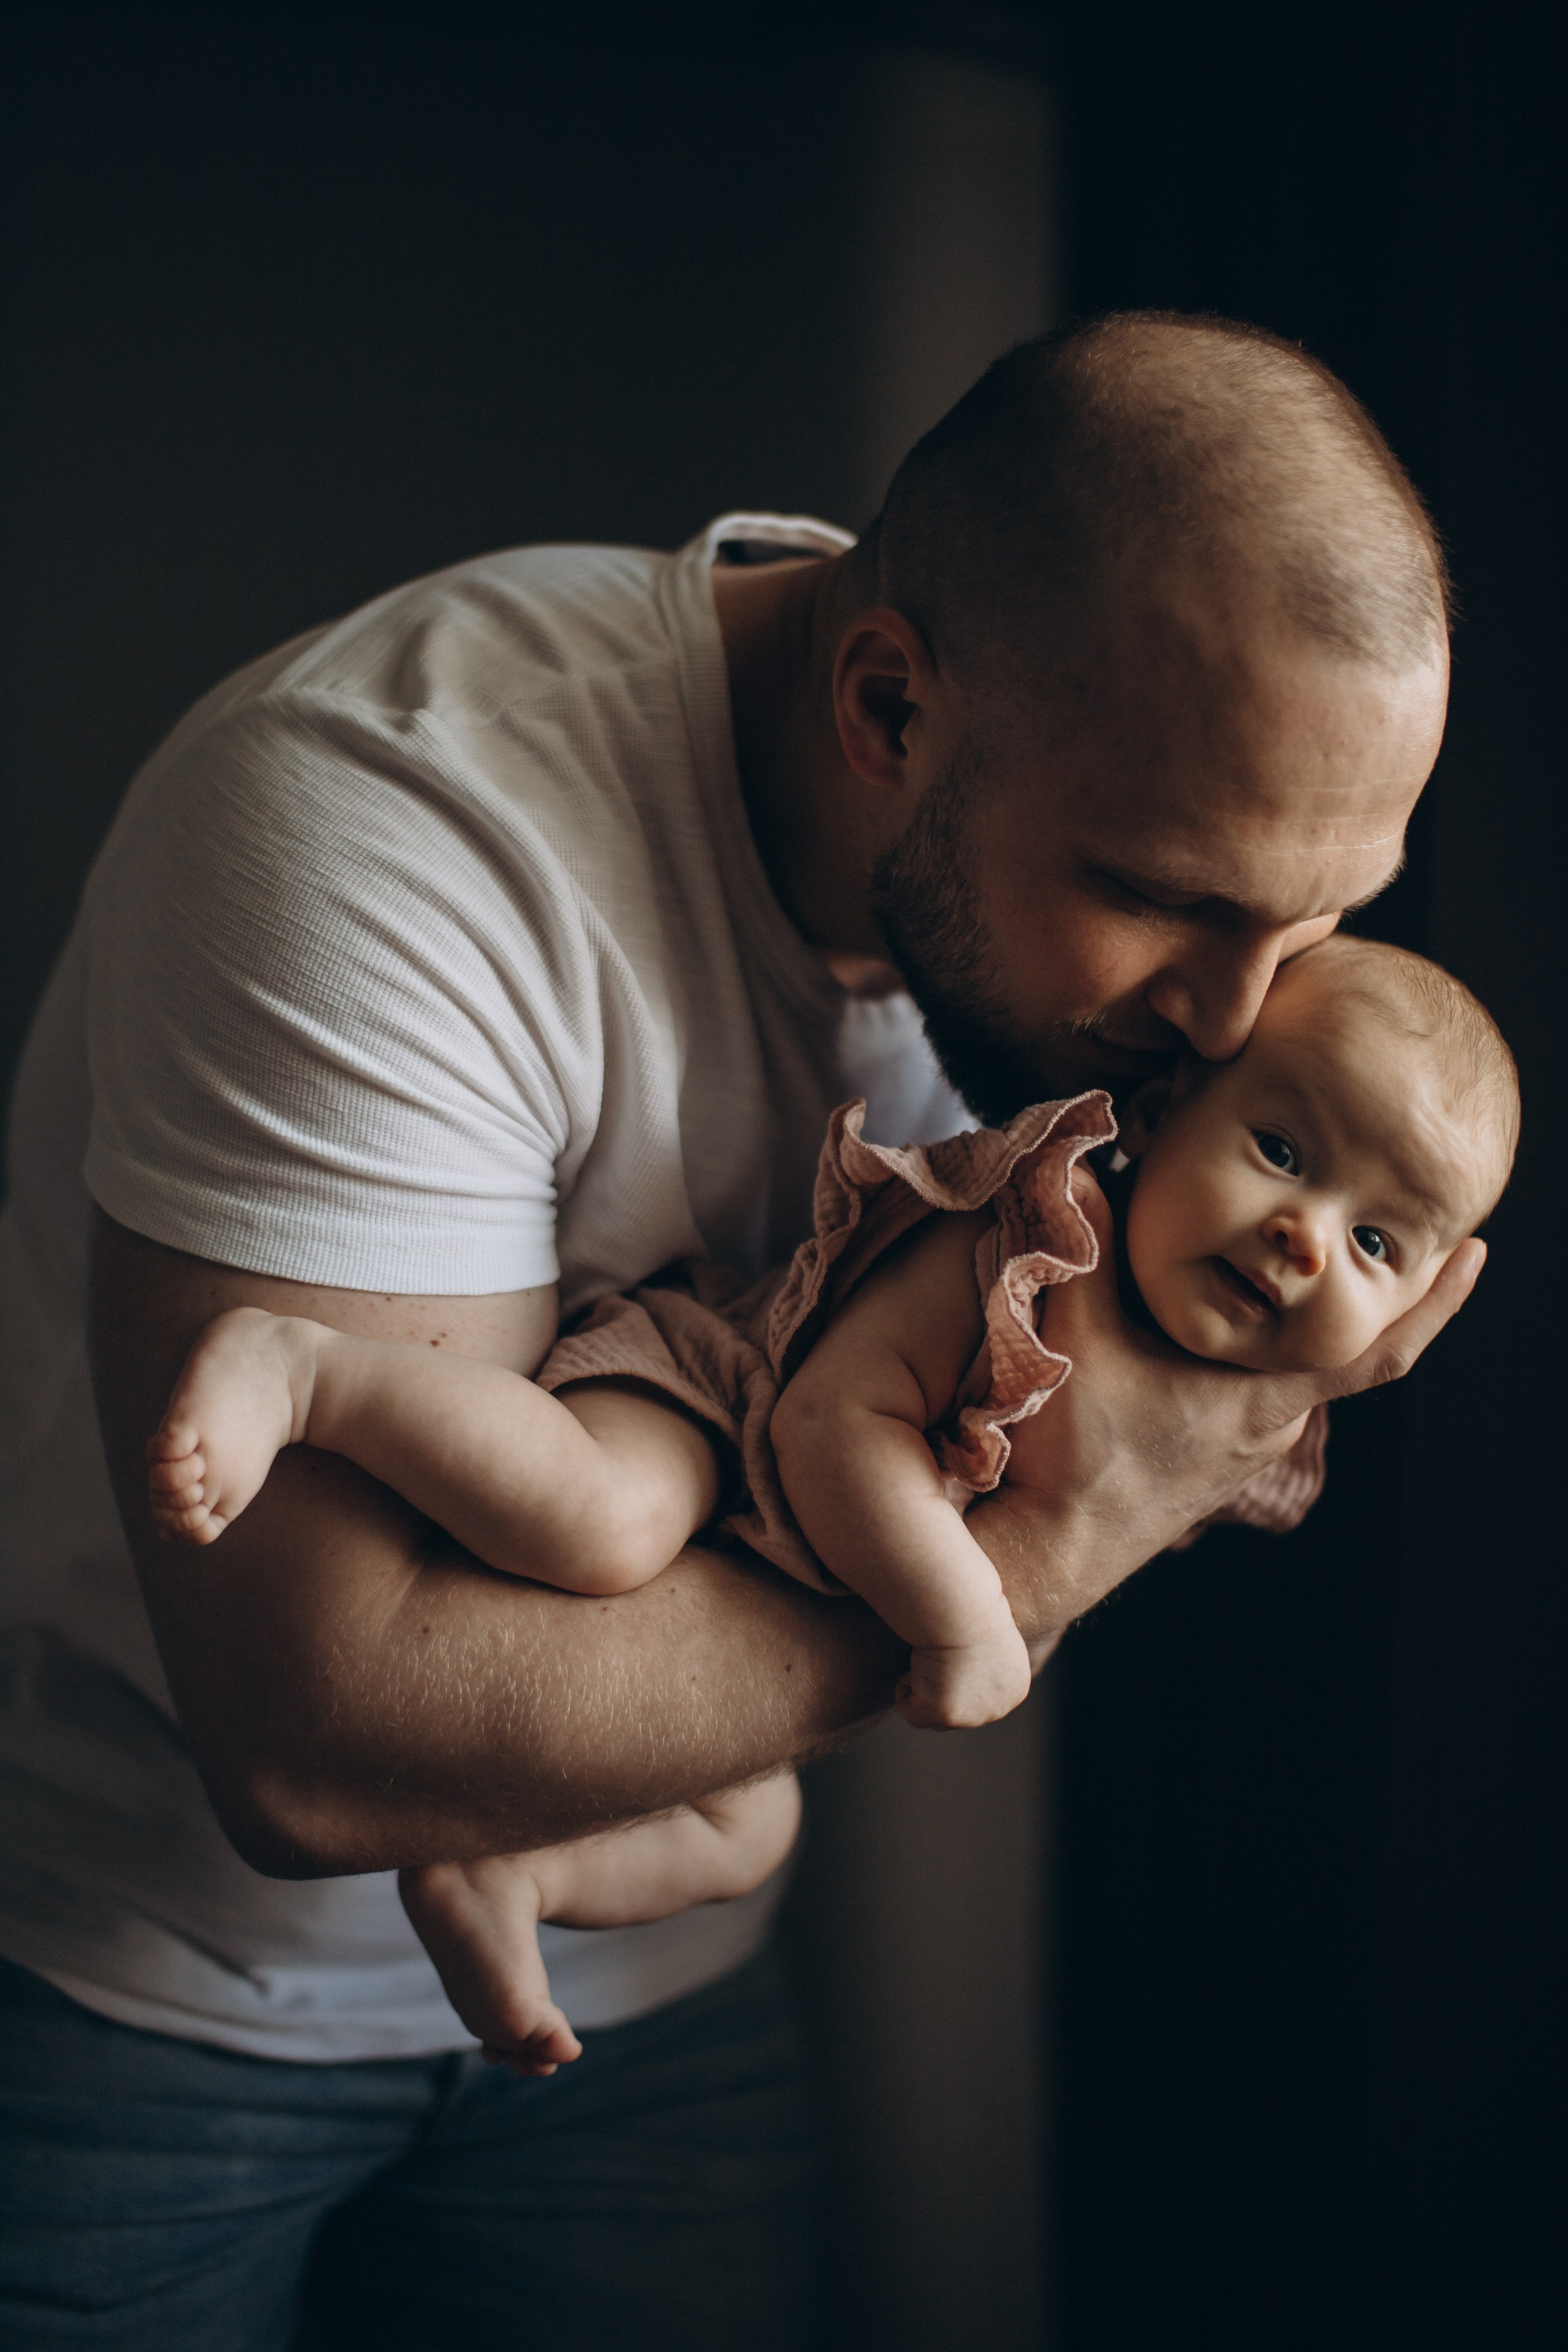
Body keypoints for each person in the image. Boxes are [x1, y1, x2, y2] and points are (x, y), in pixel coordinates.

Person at [0, 314, 1480, 2349]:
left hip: (647, 2006)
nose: (1237, 1024)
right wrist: (1044, 1558)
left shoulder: (1154, 957)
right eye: (1164, 898)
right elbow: (325, 1746)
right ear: (887, 703)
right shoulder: (392, 828)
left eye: (1312, 917)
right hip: (126, 1993)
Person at [141, 934, 1518, 2077]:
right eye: (1281, 1149)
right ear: (1155, 1119)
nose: (1304, 1236)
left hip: (774, 1560)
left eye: (1377, 1241)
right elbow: (829, 1423)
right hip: (715, 1401)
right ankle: (315, 1374)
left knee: (749, 1831)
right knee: (602, 1523)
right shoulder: (1035, 1240)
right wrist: (970, 1618)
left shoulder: (1232, 1425)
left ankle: (508, 1877)